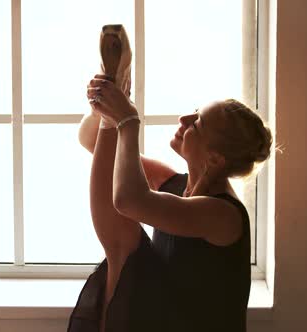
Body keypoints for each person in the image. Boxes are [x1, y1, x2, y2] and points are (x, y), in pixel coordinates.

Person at [67, 74, 273, 332]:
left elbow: (128, 200)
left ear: (216, 159)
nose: (183, 119)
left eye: (196, 124)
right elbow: (91, 140)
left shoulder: (223, 214)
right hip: (162, 319)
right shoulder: (176, 185)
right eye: (194, 112)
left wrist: (128, 122)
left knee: (126, 244)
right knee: (125, 248)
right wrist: (104, 106)